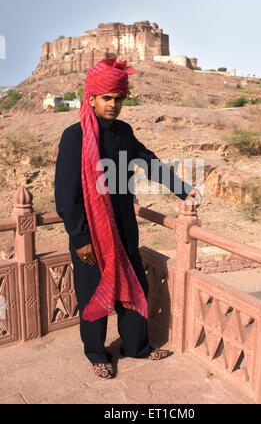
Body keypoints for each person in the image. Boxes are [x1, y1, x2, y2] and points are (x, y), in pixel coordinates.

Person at [55, 58, 201, 379]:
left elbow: (150, 163)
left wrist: (183, 190)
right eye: (107, 97)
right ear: (91, 98)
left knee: (135, 287)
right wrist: (80, 240)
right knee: (93, 294)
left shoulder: (123, 132)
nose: (114, 104)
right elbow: (66, 196)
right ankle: (96, 353)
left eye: (118, 98)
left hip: (124, 230)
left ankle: (136, 346)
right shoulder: (74, 137)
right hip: (91, 236)